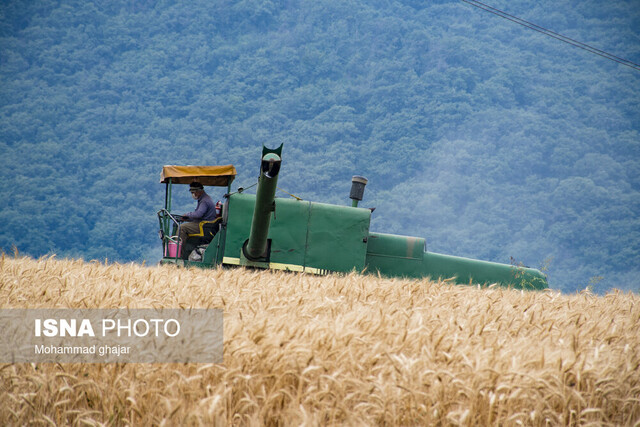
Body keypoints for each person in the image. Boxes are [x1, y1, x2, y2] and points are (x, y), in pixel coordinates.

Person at [178, 182, 218, 249]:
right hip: (203, 224)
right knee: (185, 226)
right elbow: (199, 215)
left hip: (204, 226)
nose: (193, 194)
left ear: (199, 191)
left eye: (193, 192)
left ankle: (177, 252)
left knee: (182, 228)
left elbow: (198, 214)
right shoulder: (204, 199)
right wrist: (187, 218)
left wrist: (187, 214)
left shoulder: (205, 201)